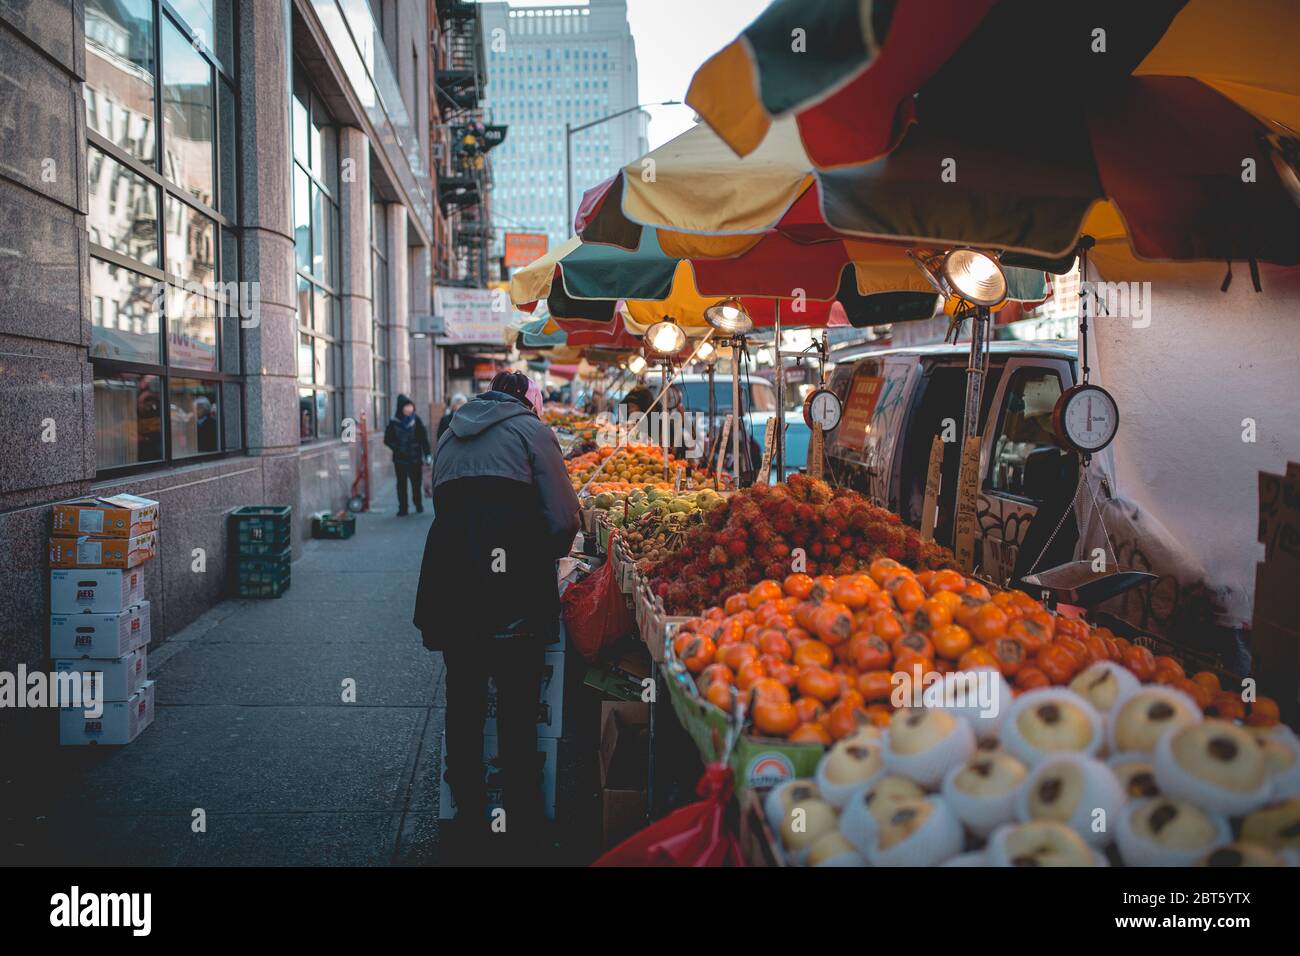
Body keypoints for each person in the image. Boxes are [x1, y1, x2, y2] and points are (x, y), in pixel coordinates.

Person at [414, 370, 579, 861]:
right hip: (513, 590)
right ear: (527, 400)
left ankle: (467, 815)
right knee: (516, 706)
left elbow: (439, 502)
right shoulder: (533, 431)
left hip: (453, 584)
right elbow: (564, 517)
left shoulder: (448, 433)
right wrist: (540, 558)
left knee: (463, 702)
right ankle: (522, 822)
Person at [383, 394, 431, 516]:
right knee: (401, 484)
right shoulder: (394, 422)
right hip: (400, 460)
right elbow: (387, 439)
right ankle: (403, 508)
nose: (409, 409)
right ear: (401, 408)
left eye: (411, 406)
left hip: (415, 458)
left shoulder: (416, 420)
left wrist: (427, 454)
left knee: (416, 483)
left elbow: (423, 438)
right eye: (406, 406)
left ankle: (418, 504)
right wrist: (397, 448)